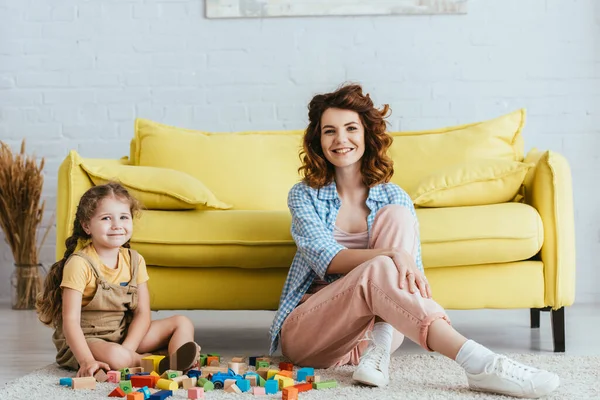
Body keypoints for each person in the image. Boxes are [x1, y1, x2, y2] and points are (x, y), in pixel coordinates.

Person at [268, 83, 559, 398]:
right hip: (314, 333)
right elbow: (327, 259)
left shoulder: (394, 196)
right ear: (317, 140)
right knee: (381, 265)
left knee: (397, 218)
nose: (341, 139)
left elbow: (410, 283)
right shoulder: (303, 194)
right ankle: (479, 361)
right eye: (329, 131)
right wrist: (391, 254)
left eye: (351, 128)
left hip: (369, 338)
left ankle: (378, 350)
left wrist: (395, 260)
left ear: (366, 134)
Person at [36, 182, 200, 377]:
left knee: (182, 322)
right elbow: (70, 322)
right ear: (87, 226)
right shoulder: (80, 264)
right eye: (106, 218)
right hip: (86, 342)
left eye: (124, 217)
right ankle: (154, 361)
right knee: (116, 356)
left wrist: (129, 347)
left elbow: (142, 313)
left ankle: (178, 358)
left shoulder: (135, 260)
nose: (117, 225)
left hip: (124, 334)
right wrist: (87, 361)